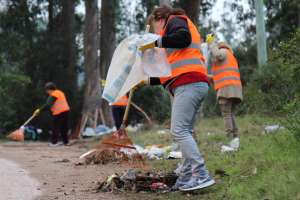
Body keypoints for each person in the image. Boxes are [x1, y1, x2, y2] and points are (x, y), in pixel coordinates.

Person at [139, 5, 215, 191]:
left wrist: (156, 43)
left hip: (189, 83)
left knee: (179, 130)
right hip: (191, 82)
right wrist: (145, 81)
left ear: (159, 18)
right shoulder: (173, 33)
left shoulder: (175, 20)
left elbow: (182, 38)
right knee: (184, 131)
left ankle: (200, 174)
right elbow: (168, 73)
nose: (156, 32)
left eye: (154, 26)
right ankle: (188, 175)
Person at [206, 34, 243, 150]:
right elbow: (221, 74)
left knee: (226, 114)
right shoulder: (231, 56)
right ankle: (235, 139)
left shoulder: (222, 51)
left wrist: (211, 43)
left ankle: (230, 139)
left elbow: (217, 54)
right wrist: (206, 76)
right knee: (230, 114)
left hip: (226, 89)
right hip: (235, 89)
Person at [34, 82, 70, 146]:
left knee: (55, 127)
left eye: (47, 90)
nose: (47, 92)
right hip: (66, 111)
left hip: (59, 112)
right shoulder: (60, 92)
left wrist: (39, 110)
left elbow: (48, 105)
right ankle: (65, 142)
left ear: (49, 89)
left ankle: (54, 142)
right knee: (63, 127)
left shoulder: (54, 94)